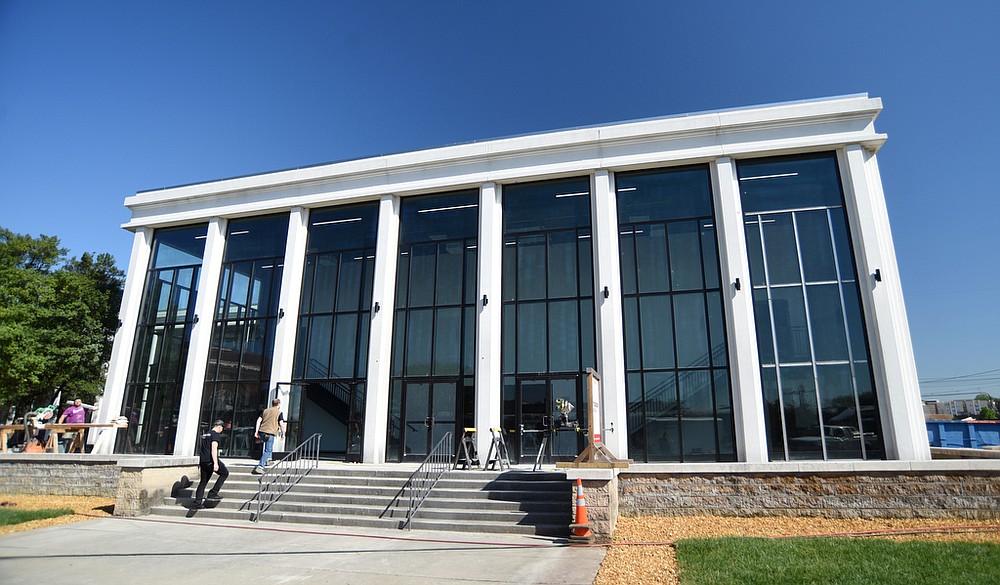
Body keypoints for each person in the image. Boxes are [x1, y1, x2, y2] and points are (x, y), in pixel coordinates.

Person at [191, 420, 229, 509]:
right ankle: (213, 493)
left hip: (203, 461)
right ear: (219, 427)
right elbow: (214, 449)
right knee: (224, 473)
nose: (221, 430)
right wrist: (215, 463)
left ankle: (197, 502)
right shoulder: (215, 435)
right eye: (222, 428)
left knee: (203, 482)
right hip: (210, 460)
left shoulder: (205, 434)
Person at [253, 398, 285, 475]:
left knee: (269, 447)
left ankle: (269, 460)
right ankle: (260, 466)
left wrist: (256, 431)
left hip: (262, 432)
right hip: (269, 433)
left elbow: (258, 420)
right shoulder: (279, 412)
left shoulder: (265, 411)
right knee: (268, 450)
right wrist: (283, 434)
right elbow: (281, 424)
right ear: (279, 404)